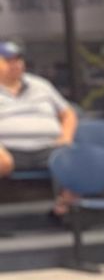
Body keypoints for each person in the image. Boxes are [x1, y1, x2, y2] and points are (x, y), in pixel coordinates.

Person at [0, 38, 77, 186]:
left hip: (48, 147)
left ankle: (65, 205)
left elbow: (68, 113)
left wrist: (66, 138)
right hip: (7, 150)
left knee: (76, 160)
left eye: (18, 60)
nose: (15, 65)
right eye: (8, 60)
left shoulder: (41, 85)